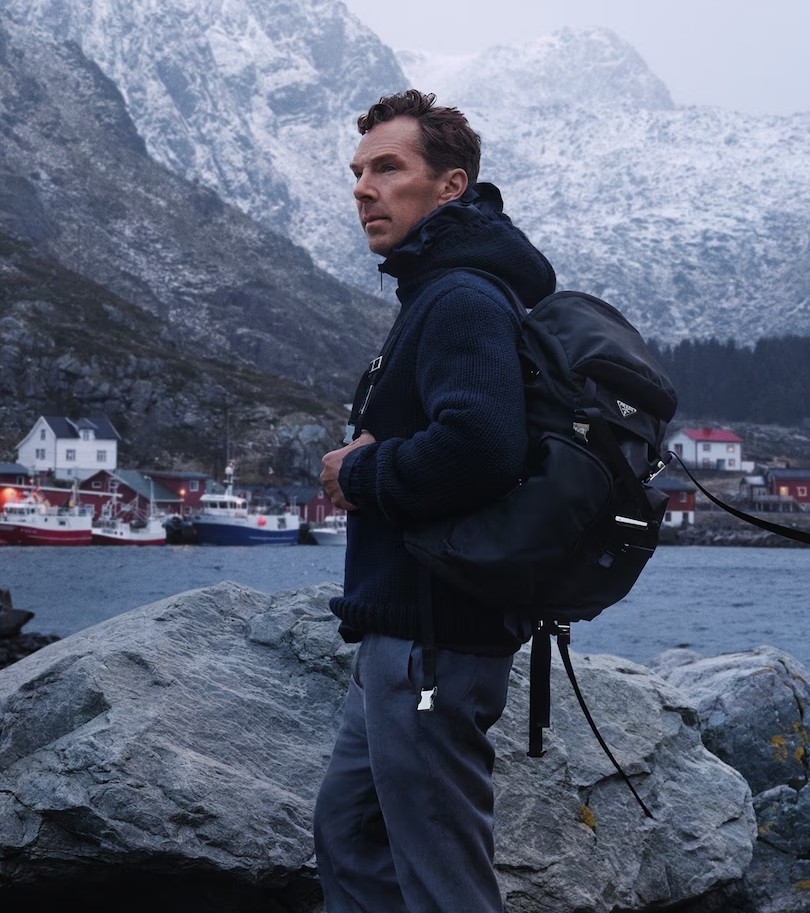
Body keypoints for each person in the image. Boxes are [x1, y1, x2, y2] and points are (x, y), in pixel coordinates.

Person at [313, 89, 556, 913]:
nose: (363, 189)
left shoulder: (460, 298)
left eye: (388, 168)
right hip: (405, 634)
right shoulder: (437, 292)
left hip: (430, 648)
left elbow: (483, 442)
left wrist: (361, 474)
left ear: (450, 186)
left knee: (439, 869)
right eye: (357, 172)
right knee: (352, 832)